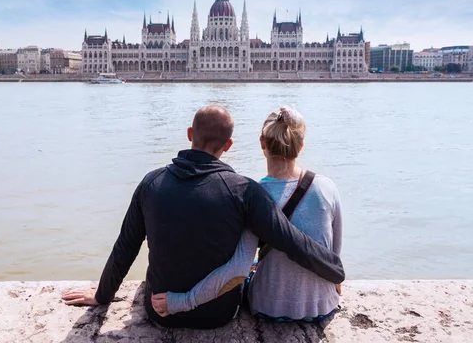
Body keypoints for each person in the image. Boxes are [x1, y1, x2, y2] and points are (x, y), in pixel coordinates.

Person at [62, 105, 344, 329]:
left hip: (159, 311)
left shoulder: (150, 183)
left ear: (189, 134)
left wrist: (102, 295)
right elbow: (289, 241)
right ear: (229, 145)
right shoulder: (244, 190)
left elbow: (125, 247)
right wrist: (335, 270)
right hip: (219, 314)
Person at [151, 106, 343, 323]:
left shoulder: (252, 193)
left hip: (269, 306)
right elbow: (333, 250)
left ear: (262, 143)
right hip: (324, 304)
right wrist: (334, 281)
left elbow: (238, 269)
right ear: (300, 146)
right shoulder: (327, 187)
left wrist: (182, 301)